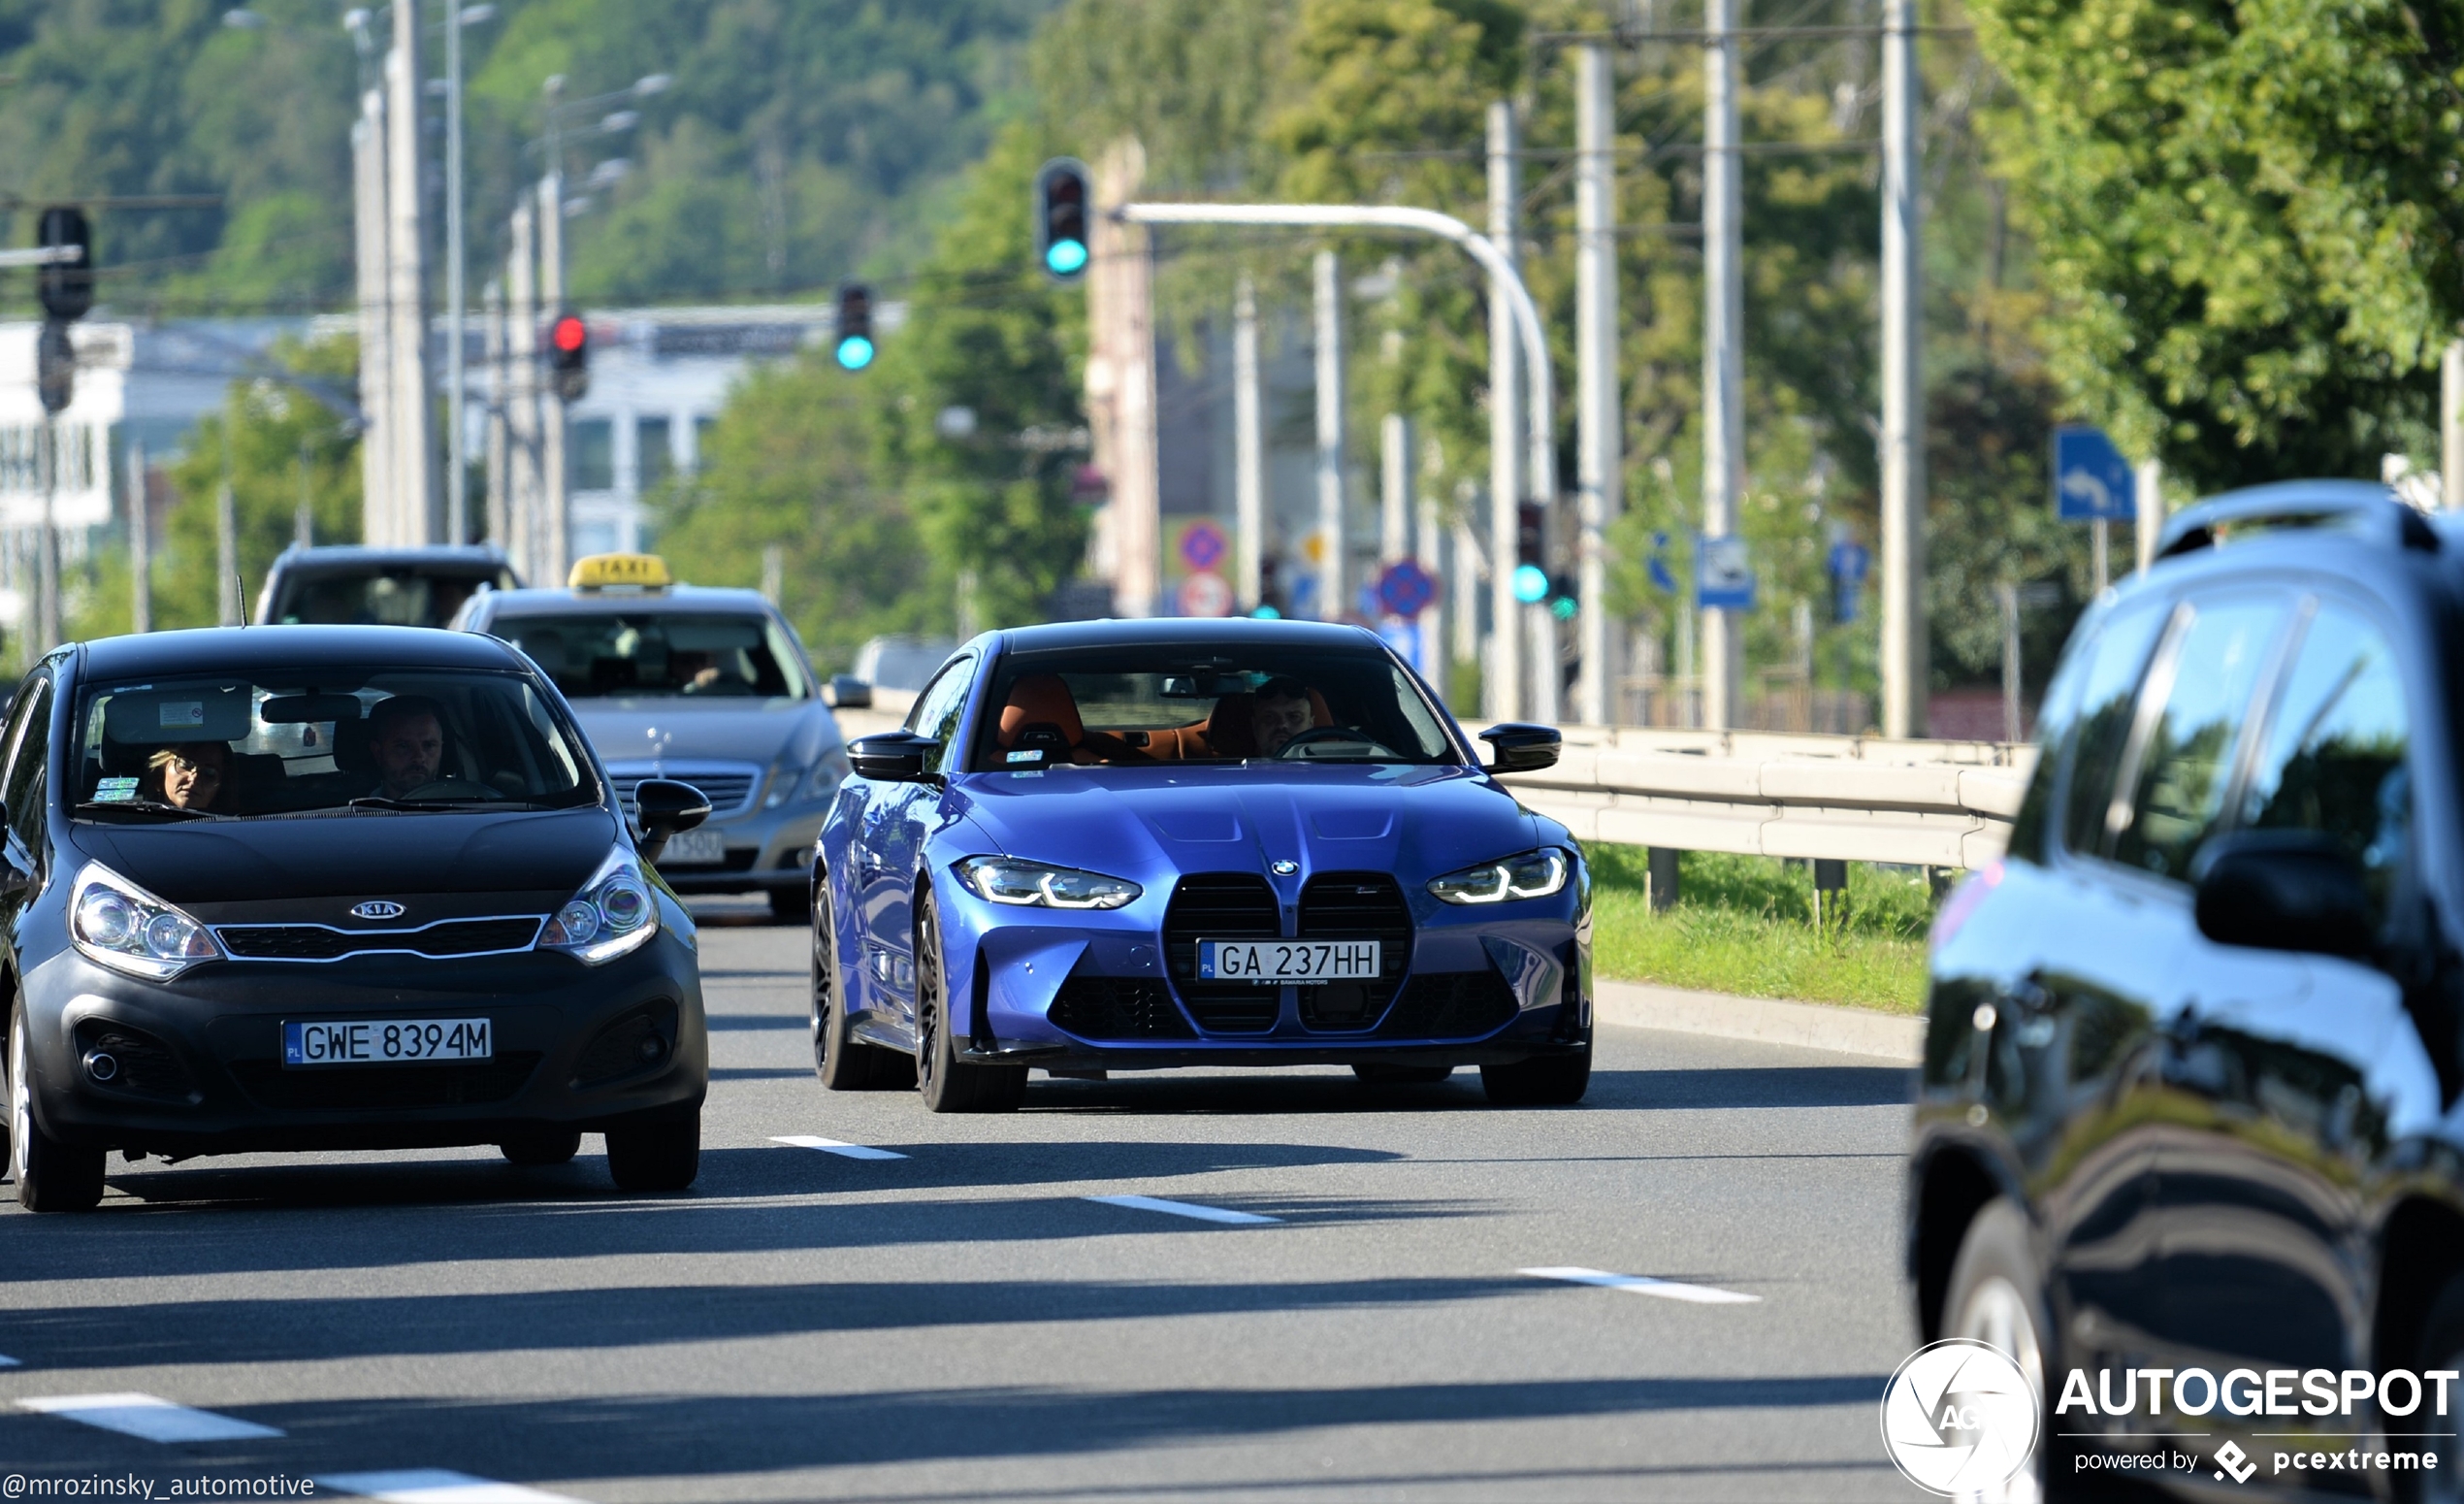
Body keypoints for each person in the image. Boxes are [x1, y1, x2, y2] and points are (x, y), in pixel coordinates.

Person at [366, 695, 447, 799]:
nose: (418, 758)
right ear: (378, 752)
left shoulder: (469, 804)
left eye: (429, 745)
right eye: (403, 746)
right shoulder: (353, 813)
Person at [145, 742, 229, 811]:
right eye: (185, 764)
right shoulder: (136, 823)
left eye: (209, 773)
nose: (194, 779)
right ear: (161, 772)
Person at [1248, 675, 1315, 756]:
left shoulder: (1330, 766)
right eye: (1269, 717)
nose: (1282, 725)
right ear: (1255, 726)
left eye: (1294, 717)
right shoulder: (1234, 767)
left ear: (1310, 725)